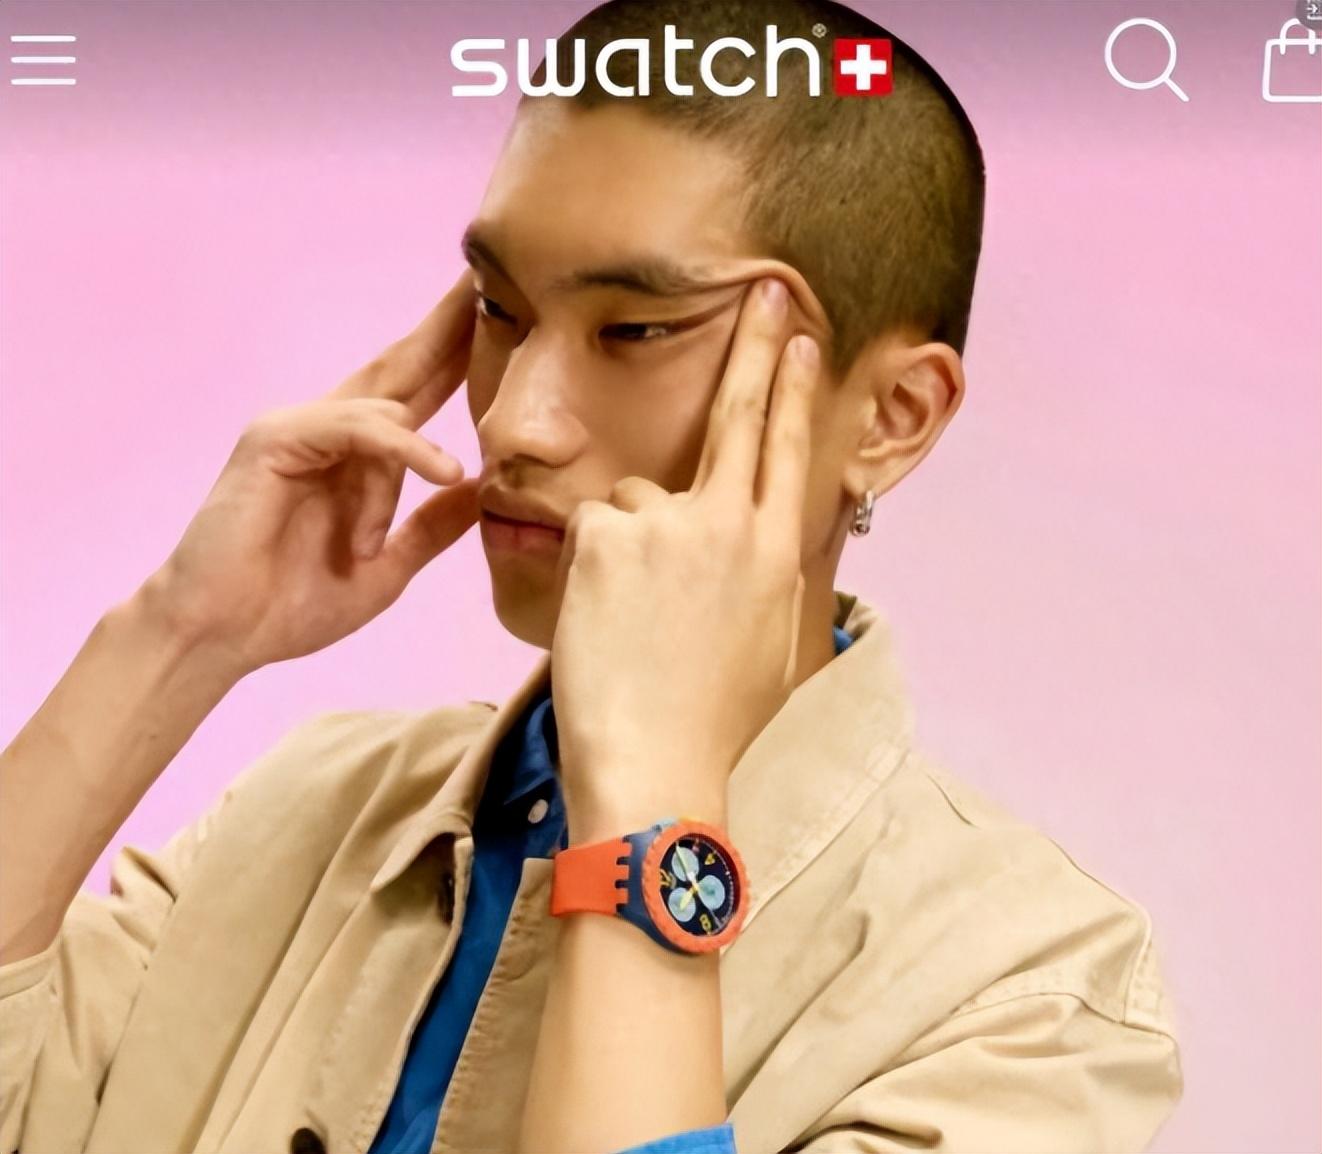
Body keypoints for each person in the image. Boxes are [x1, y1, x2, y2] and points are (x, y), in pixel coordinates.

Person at [0, 0, 1184, 1151]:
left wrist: (651, 818)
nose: (512, 420)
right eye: (499, 310)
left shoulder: (1028, 993)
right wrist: (177, 635)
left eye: (634, 330)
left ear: (891, 414)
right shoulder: (309, 805)